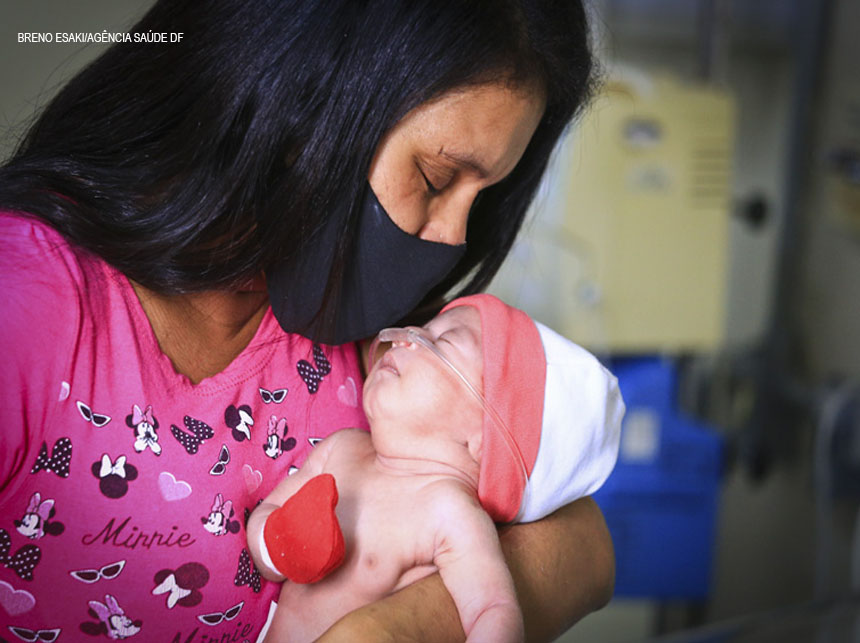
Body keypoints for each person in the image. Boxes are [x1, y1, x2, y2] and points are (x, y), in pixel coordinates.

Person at [0, 1, 613, 640]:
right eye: (435, 179)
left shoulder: (367, 334)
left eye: (480, 199)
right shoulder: (26, 304)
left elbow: (587, 548)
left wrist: (388, 631)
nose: (454, 239)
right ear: (305, 99)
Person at [247, 294, 624, 642]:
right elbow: (267, 521)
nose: (408, 335)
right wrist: (277, 544)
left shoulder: (449, 512)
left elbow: (492, 611)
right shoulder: (341, 450)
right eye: (424, 329)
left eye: (442, 342)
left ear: (484, 438)